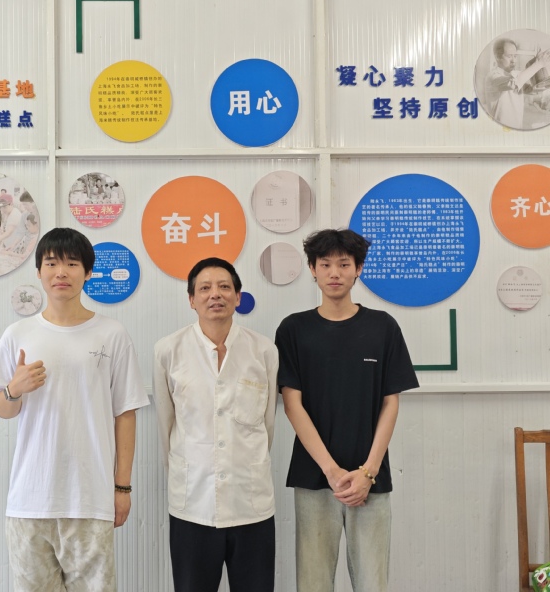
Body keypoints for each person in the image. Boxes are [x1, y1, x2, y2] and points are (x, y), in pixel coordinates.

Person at [0, 227, 149, 592]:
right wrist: (14, 389)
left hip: (90, 498)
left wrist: (122, 487)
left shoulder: (112, 334)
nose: (61, 272)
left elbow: (125, 413)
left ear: (88, 272)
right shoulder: (17, 334)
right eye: (51, 263)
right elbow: (3, 409)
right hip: (30, 500)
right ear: (39, 272)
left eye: (72, 263)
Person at [275, 229, 419, 592]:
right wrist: (331, 470)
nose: (334, 273)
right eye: (325, 265)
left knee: (373, 582)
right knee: (313, 583)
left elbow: (391, 402)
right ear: (312, 269)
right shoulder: (294, 329)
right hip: (314, 477)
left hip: (370, 480)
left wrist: (368, 472)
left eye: (344, 264)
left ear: (358, 269)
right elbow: (292, 403)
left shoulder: (382, 326)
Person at [154, 257, 278, 592]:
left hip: (250, 502)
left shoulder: (263, 350)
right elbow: (166, 425)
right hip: (192, 503)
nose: (215, 294)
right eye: (205, 288)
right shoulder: (168, 350)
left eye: (224, 287)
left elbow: (268, 424)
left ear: (238, 296)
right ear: (191, 299)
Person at [484, 38, 550, 129]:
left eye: (515, 56)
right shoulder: (492, 77)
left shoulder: (515, 74)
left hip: (516, 128)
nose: (513, 61)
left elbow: (531, 90)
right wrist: (538, 64)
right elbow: (513, 83)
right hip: (500, 130)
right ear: (497, 57)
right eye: (509, 56)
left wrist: (544, 83)